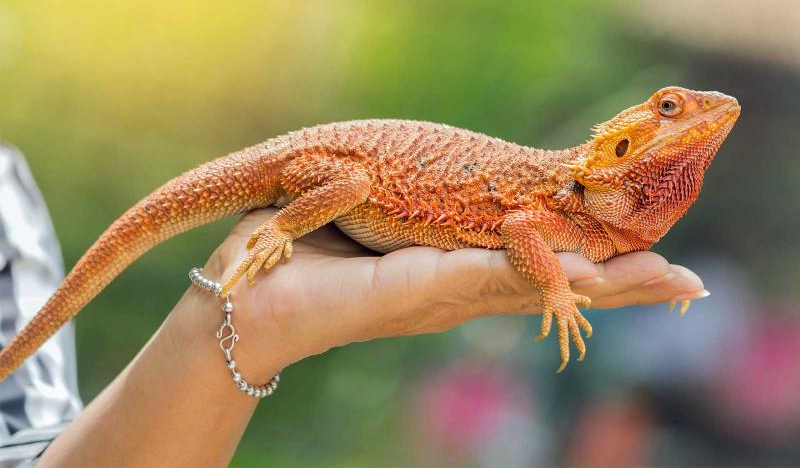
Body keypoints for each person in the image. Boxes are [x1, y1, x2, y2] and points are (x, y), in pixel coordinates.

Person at [0, 146, 707, 467]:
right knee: (347, 184)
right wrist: (555, 287)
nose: (690, 121)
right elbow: (521, 232)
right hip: (336, 173)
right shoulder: (552, 205)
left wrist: (251, 323)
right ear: (617, 143)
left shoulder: (576, 210)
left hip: (351, 179)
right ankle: (283, 223)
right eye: (671, 110)